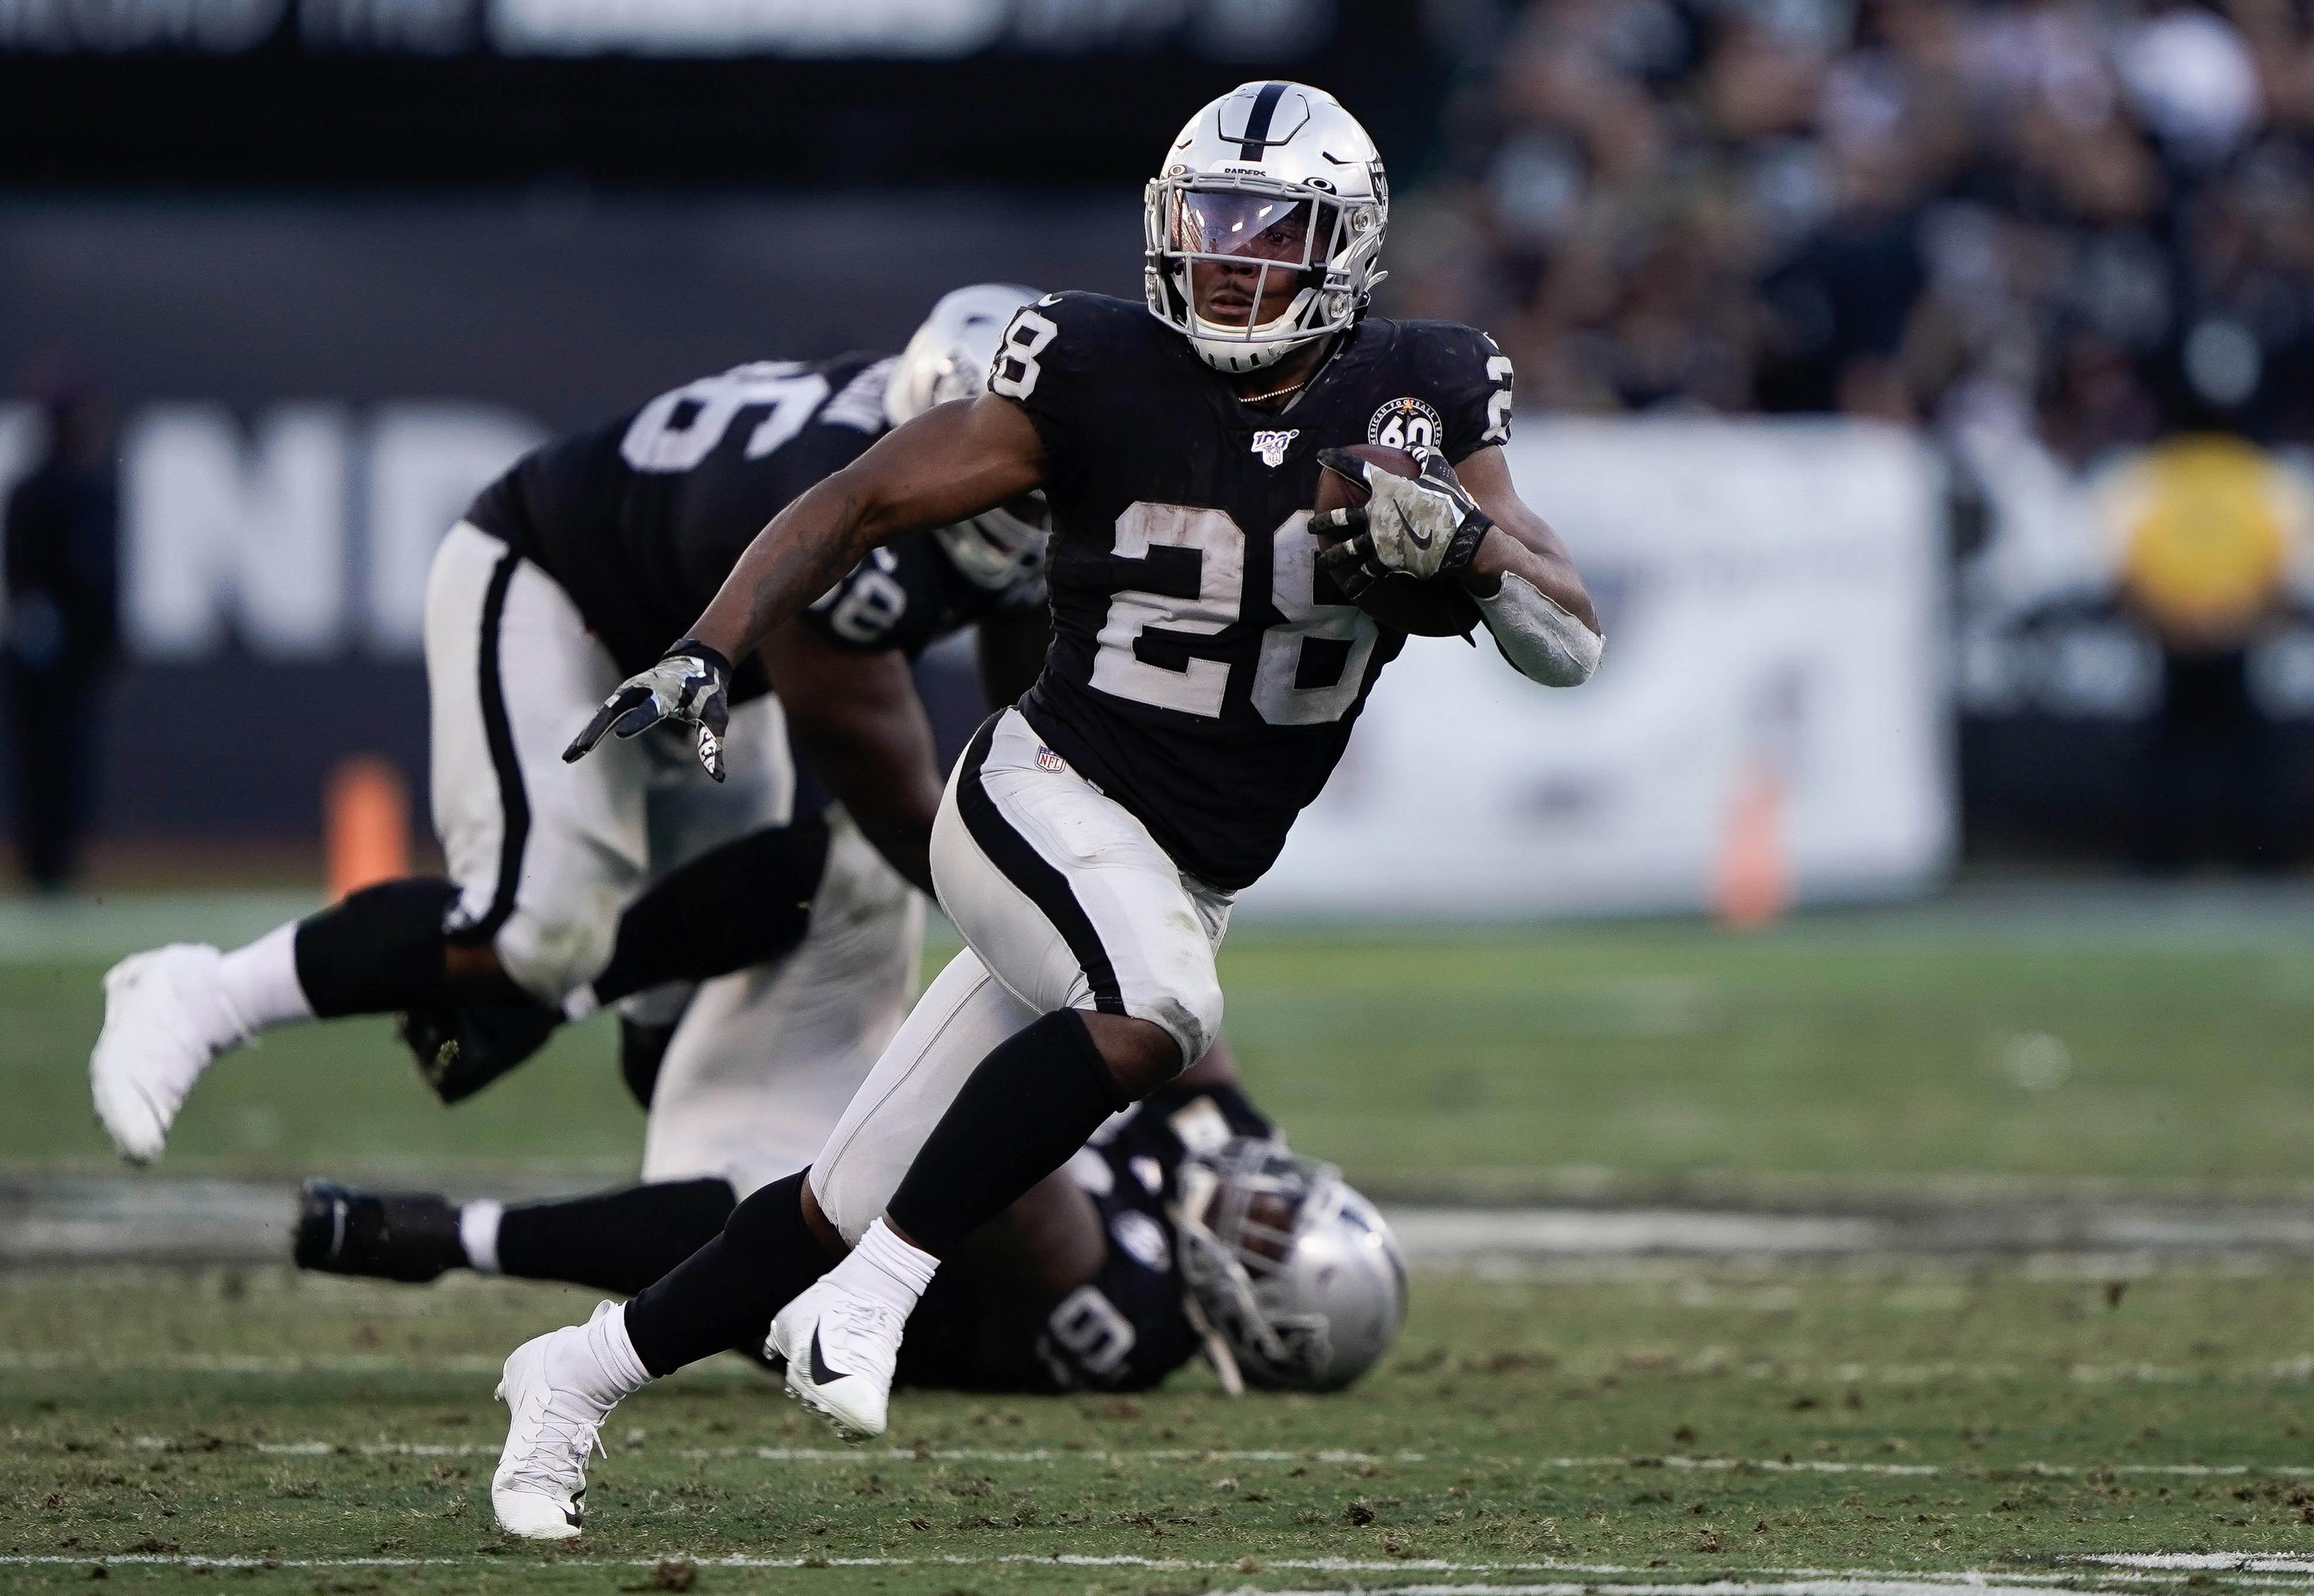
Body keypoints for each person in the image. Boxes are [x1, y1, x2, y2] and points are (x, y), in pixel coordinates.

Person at [488, 80, 1602, 1540]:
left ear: (1347, 247)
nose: (1228, 260)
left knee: (829, 1193)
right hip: (1042, 794)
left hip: (1182, 862)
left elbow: (1566, 640)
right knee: (1160, 1006)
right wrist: (710, 645)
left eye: (1269, 232)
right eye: (1207, 224)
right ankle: (873, 1304)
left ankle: (570, 1381)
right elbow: (858, 500)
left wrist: (1458, 550)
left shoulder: (1424, 386)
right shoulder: (1094, 365)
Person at [85, 285, 1052, 1163]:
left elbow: (1025, 719)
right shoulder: (837, 506)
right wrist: (1056, 931)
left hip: (714, 676)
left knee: (725, 948)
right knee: (535, 931)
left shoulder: (984, 485)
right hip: (560, 594)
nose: (1010, 493)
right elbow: (890, 790)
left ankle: (695, 1195)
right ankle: (200, 993)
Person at [294, 1033, 1404, 1398]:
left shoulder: (1139, 1319)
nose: (1264, 1197)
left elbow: (1022, 1203)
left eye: (1270, 1234)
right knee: (822, 877)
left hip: (805, 1268)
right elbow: (1185, 1020)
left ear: (1262, 1321)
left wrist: (1050, 1052)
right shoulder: (1217, 1163)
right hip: (845, 1117)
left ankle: (452, 1236)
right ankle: (547, 1002)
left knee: (748, 1208)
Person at [0, 377, 120, 893]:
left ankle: (54, 856)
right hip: (44, 656)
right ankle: (43, 858)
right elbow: (18, 579)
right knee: (46, 758)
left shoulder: (74, 492)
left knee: (64, 760)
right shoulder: (45, 493)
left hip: (65, 656)